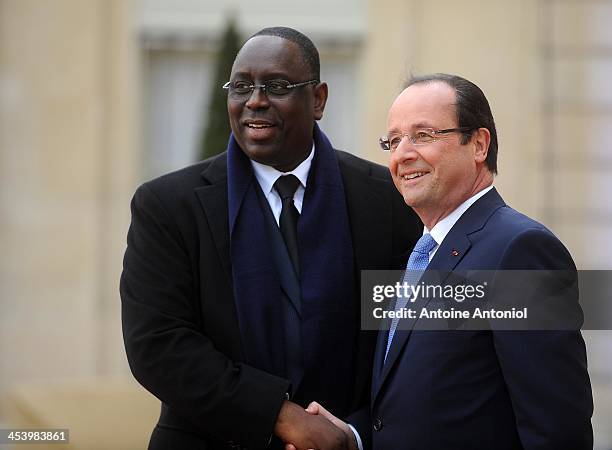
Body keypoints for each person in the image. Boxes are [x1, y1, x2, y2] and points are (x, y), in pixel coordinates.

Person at [120, 27, 421, 450]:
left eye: (277, 86)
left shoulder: (384, 201)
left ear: (318, 100)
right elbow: (158, 345)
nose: (255, 100)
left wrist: (351, 433)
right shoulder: (168, 206)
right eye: (241, 86)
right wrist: (279, 416)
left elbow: (404, 336)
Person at [296, 73, 593, 450]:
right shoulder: (416, 255)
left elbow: (558, 430)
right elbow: (412, 408)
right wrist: (350, 437)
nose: (402, 154)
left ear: (479, 144)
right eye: (394, 140)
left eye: (423, 135)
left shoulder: (520, 252)